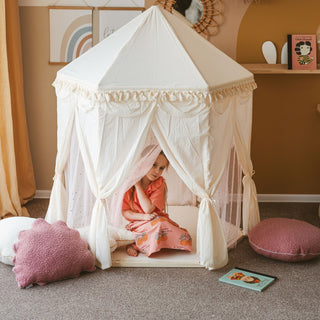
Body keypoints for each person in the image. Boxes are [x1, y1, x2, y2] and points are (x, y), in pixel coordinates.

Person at [122, 150, 192, 257]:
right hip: (138, 222)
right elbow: (125, 212)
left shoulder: (159, 183)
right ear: (143, 163)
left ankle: (148, 242)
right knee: (157, 226)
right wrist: (137, 186)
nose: (157, 171)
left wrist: (139, 187)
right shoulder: (130, 184)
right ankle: (134, 244)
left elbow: (149, 209)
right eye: (153, 165)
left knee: (184, 237)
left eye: (161, 168)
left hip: (154, 220)